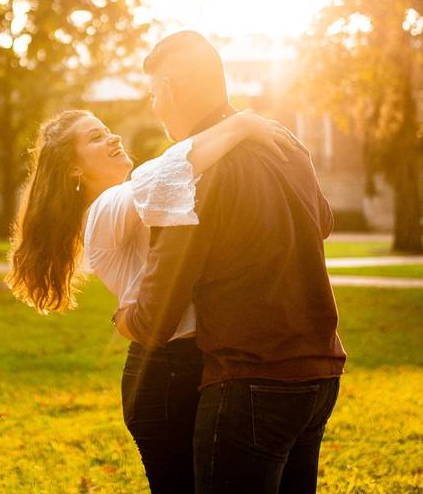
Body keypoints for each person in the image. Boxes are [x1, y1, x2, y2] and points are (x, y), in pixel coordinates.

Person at [6, 106, 300, 493]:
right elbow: (169, 171)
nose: (112, 138)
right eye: (95, 137)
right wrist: (242, 124)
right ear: (74, 170)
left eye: (108, 130)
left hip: (190, 361)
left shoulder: (141, 204)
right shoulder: (104, 210)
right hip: (163, 374)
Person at [115, 30, 347, 494]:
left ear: (172, 90)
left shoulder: (189, 172)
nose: (155, 108)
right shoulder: (286, 144)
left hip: (251, 380)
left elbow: (158, 319)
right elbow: (322, 220)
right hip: (320, 375)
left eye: (154, 93)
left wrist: (125, 318)